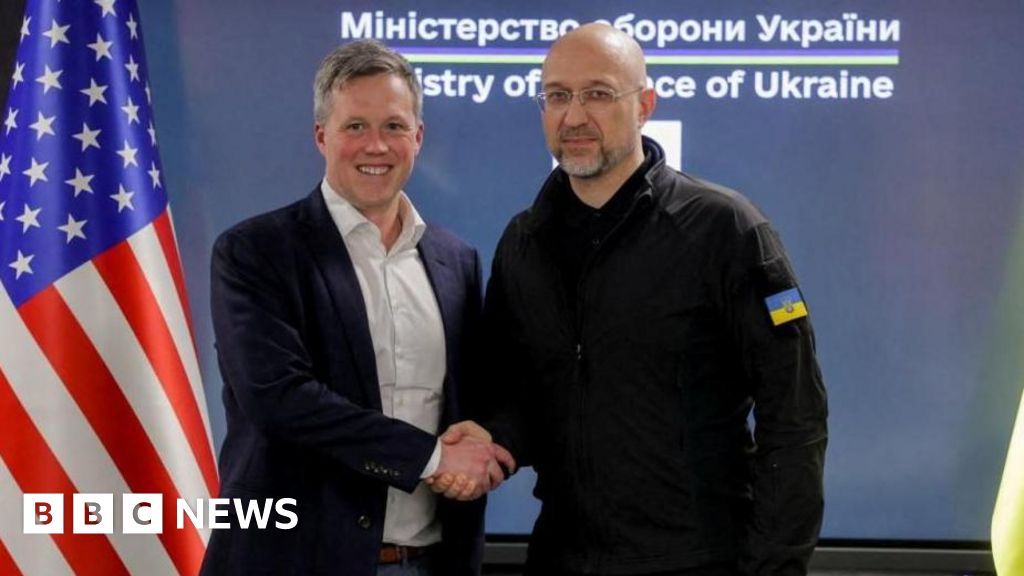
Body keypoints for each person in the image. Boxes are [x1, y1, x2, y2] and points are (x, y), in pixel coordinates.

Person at [438, 23, 828, 576]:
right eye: (557, 96)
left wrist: (774, 565)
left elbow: (795, 415)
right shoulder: (524, 242)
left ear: (644, 105)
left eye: (598, 93)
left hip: (698, 560)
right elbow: (517, 396)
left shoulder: (724, 229)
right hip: (561, 556)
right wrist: (493, 437)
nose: (574, 116)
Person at [203, 40, 512, 576]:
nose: (376, 145)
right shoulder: (254, 252)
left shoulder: (456, 259)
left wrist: (490, 441)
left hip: (431, 561)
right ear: (321, 136)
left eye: (394, 126)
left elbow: (478, 393)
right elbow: (279, 398)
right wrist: (434, 459)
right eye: (355, 126)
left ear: (418, 137)